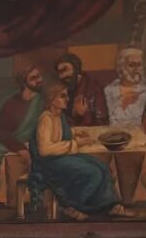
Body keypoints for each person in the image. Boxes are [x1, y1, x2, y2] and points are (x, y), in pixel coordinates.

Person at [28, 82, 134, 220]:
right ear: (51, 99)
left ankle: (112, 206)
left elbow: (59, 135)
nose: (67, 99)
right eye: (62, 96)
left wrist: (74, 134)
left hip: (61, 157)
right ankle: (72, 206)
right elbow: (44, 149)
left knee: (103, 168)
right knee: (93, 172)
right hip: (47, 163)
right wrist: (75, 143)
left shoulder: (59, 115)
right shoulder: (45, 119)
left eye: (67, 95)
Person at [0, 66, 44, 203]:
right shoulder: (14, 104)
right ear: (24, 82)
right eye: (33, 78)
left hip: (25, 141)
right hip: (1, 143)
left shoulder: (39, 100)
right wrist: (20, 148)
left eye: (39, 76)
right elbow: (0, 131)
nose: (39, 80)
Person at [54, 52, 108, 126]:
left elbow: (102, 120)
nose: (62, 76)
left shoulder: (94, 87)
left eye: (65, 69)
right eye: (59, 73)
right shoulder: (61, 91)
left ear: (76, 69)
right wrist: (77, 115)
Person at [104, 47, 146, 126]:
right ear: (121, 68)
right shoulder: (109, 90)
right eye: (131, 65)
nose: (136, 69)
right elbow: (109, 121)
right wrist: (124, 104)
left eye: (139, 65)